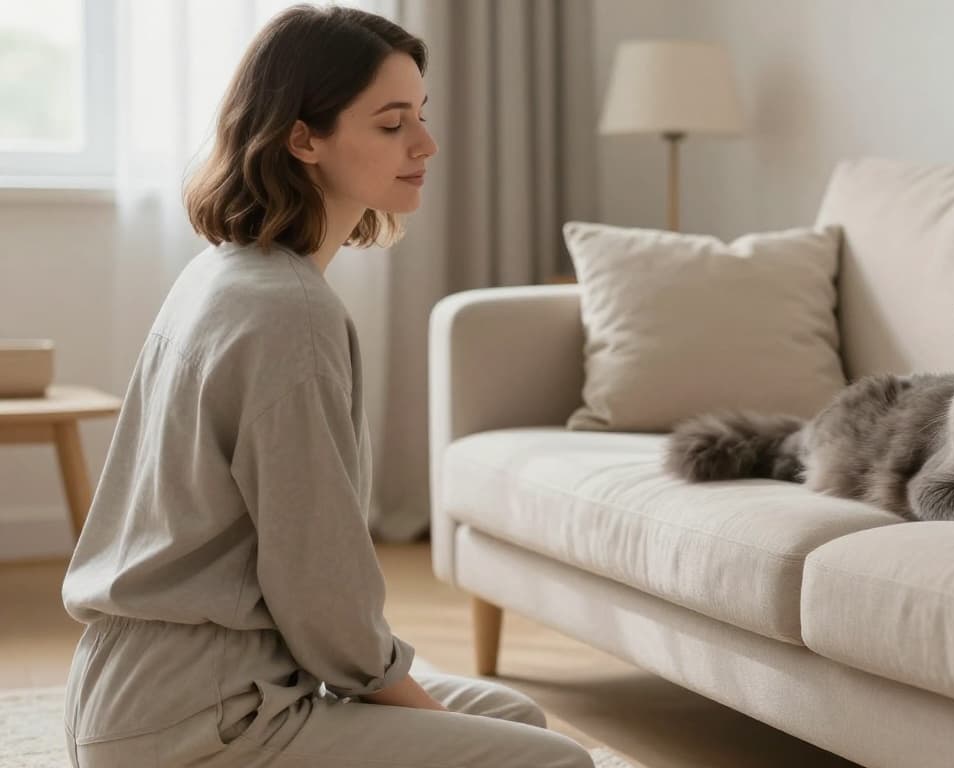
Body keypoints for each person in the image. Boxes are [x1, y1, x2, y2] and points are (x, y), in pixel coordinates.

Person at [60, 6, 593, 767]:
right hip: (203, 718)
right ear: (302, 137)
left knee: (513, 716)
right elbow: (320, 589)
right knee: (554, 762)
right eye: (390, 124)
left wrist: (420, 706)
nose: (425, 144)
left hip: (141, 695)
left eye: (422, 116)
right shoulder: (290, 314)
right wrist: (406, 698)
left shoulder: (225, 269)